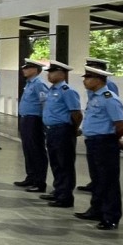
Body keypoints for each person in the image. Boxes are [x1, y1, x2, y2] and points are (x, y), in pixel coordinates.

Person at [74, 66, 123, 230]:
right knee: (97, 179)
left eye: (88, 77)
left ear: (98, 80)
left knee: (108, 181)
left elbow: (121, 125)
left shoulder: (109, 98)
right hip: (93, 141)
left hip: (105, 142)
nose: (84, 80)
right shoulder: (94, 96)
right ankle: (97, 209)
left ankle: (111, 216)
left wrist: (112, 140)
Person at [40, 61, 82, 209]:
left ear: (62, 74)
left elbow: (76, 113)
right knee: (56, 163)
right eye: (48, 72)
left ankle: (65, 196)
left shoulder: (67, 90)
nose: (49, 75)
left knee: (65, 164)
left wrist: (73, 129)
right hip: (51, 130)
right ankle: (58, 190)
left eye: (52, 72)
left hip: (63, 130)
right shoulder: (52, 90)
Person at [13, 58, 49, 193]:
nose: (24, 70)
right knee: (28, 149)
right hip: (26, 119)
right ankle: (31, 177)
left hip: (35, 120)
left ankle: (40, 182)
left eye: (27, 68)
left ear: (35, 70)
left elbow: (45, 103)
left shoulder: (39, 84)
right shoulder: (29, 83)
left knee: (37, 151)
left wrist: (45, 122)